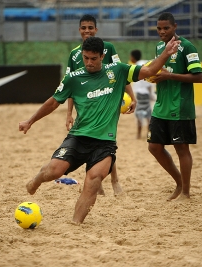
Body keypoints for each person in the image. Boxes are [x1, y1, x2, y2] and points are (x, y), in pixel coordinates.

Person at [19, 36, 180, 224]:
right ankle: (37, 180)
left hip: (105, 142)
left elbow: (150, 70)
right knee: (55, 171)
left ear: (102, 56)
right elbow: (54, 102)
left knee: (94, 179)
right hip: (78, 137)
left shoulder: (118, 70)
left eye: (93, 58)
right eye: (85, 58)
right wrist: (30, 121)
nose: (89, 62)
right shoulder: (73, 78)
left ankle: (75, 223)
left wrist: (166, 54)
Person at [64, 14, 137, 196]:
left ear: (96, 29)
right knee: (86, 141)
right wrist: (68, 113)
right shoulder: (74, 55)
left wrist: (132, 97)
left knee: (105, 143)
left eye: (90, 27)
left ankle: (114, 180)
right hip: (84, 105)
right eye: (83, 28)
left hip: (106, 102)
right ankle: (97, 183)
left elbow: (122, 74)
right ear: (79, 30)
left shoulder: (108, 48)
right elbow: (70, 86)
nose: (87, 31)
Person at [146, 12, 202, 201]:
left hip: (180, 106)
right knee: (154, 147)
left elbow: (198, 77)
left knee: (181, 149)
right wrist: (154, 76)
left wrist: (169, 76)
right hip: (161, 105)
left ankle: (185, 192)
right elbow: (160, 71)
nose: (162, 32)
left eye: (166, 28)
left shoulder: (187, 47)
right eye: (159, 28)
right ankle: (179, 182)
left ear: (175, 27)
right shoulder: (159, 47)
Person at [129, 49, 156, 139]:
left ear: (133, 57)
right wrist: (151, 93)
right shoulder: (144, 63)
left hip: (140, 94)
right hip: (146, 94)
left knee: (139, 114)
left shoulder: (137, 66)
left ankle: (138, 135)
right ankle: (149, 135)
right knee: (148, 114)